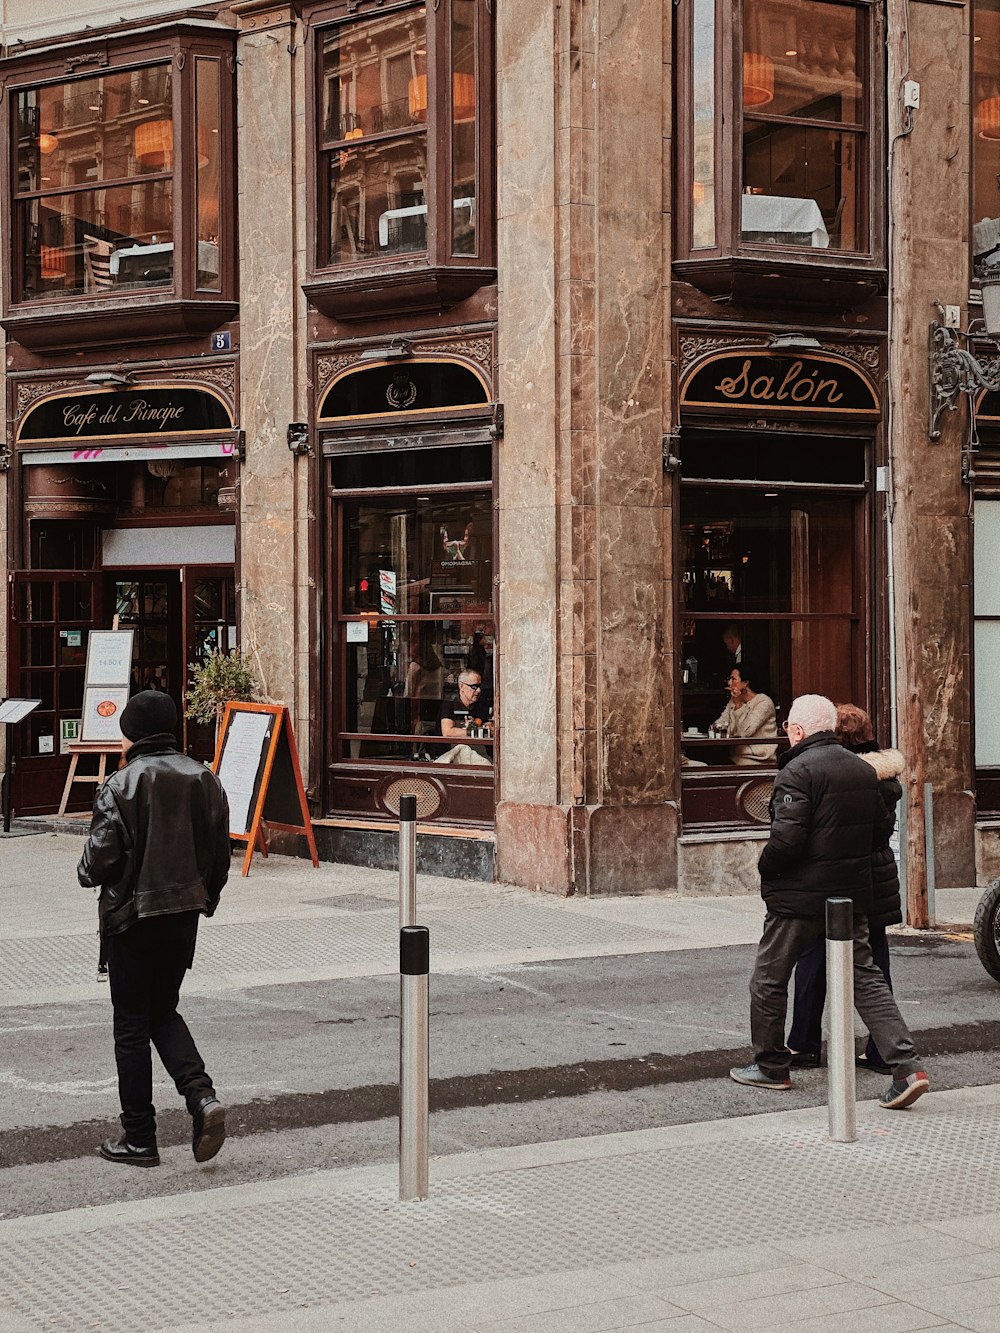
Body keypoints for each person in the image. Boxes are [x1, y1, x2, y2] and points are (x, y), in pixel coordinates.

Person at [730, 693, 929, 1110]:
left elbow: (786, 840)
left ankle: (770, 1064)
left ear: (798, 730)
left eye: (788, 727)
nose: (787, 733)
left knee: (769, 979)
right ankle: (907, 1067)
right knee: (866, 979)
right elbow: (879, 833)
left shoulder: (796, 771)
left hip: (799, 899)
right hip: (849, 895)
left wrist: (766, 867)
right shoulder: (863, 770)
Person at [78, 690, 232, 1167]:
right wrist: (203, 898)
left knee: (130, 1023)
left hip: (131, 920)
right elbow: (220, 858)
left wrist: (86, 867)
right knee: (163, 1009)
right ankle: (201, 1096)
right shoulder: (204, 778)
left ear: (132, 732)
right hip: (182, 915)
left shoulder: (120, 784)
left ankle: (140, 1137)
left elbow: (95, 866)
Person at [786, 704, 904, 1074]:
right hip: (876, 880)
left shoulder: (838, 776)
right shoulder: (882, 777)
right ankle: (884, 1051)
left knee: (812, 960)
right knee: (875, 965)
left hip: (838, 880)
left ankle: (803, 1043)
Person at [712, 664, 777, 766]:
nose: (729, 683)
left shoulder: (763, 702)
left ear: (745, 683)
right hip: (736, 757)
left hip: (757, 760)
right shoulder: (733, 702)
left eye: (733, 679)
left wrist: (738, 705)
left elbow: (744, 733)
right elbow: (718, 725)